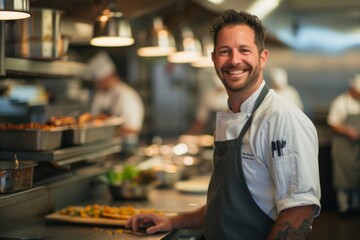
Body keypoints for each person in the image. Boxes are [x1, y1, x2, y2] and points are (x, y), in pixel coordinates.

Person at [126, 9, 321, 239]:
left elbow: (299, 210)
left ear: (263, 57)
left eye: (244, 50)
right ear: (213, 59)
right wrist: (173, 221)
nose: (234, 60)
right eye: (224, 52)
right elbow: (224, 206)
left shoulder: (281, 119)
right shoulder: (227, 115)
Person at [88, 51, 145, 154]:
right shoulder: (99, 95)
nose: (99, 85)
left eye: (101, 81)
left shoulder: (127, 95)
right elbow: (93, 119)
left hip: (126, 147)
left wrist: (107, 132)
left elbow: (133, 129)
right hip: (102, 147)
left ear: (111, 76)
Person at [327, 74, 360, 216]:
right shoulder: (340, 103)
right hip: (343, 147)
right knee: (343, 178)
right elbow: (332, 124)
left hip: (357, 148)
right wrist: (348, 131)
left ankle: (355, 206)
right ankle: (344, 207)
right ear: (352, 89)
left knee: (357, 178)